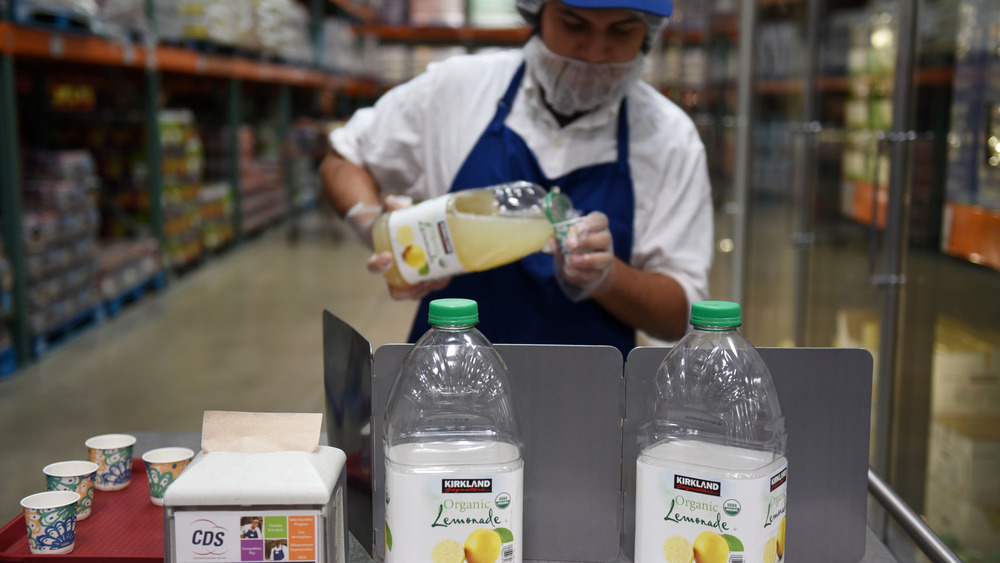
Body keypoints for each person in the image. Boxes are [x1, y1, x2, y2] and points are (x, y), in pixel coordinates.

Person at [321, 0, 713, 355]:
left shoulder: (670, 139)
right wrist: (376, 227)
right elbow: (344, 158)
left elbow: (680, 316)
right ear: (537, 13)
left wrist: (607, 278)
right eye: (573, 24)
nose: (594, 51)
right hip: (444, 385)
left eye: (621, 31)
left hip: (590, 397)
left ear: (648, 34)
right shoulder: (458, 89)